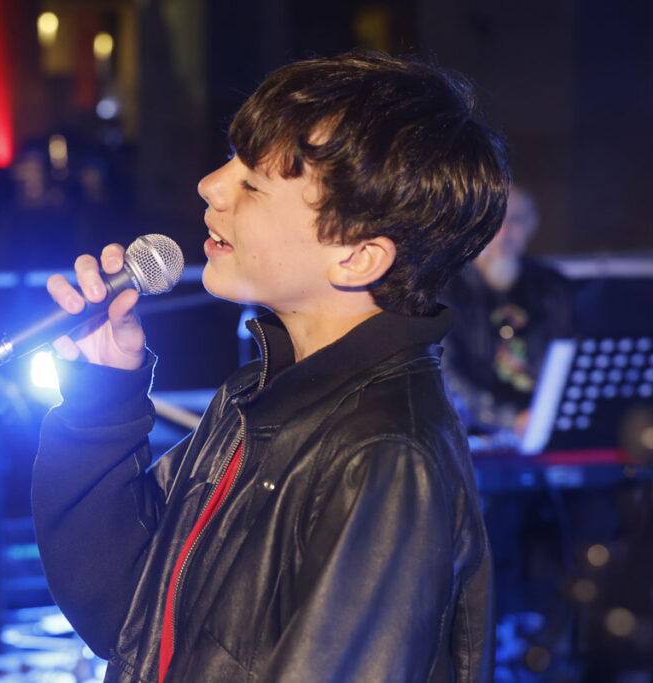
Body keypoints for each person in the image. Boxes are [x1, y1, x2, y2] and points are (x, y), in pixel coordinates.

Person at [32, 52, 508, 682]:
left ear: (359, 258)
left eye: (253, 184)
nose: (211, 186)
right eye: (232, 160)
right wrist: (103, 397)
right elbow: (127, 613)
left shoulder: (385, 455)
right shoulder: (265, 393)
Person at [441, 184, 574, 440]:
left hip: (544, 428)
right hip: (475, 433)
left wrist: (547, 415)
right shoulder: (448, 289)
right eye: (493, 221)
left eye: (515, 221)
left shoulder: (554, 287)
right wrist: (510, 418)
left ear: (532, 224)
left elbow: (568, 355)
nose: (503, 233)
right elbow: (448, 373)